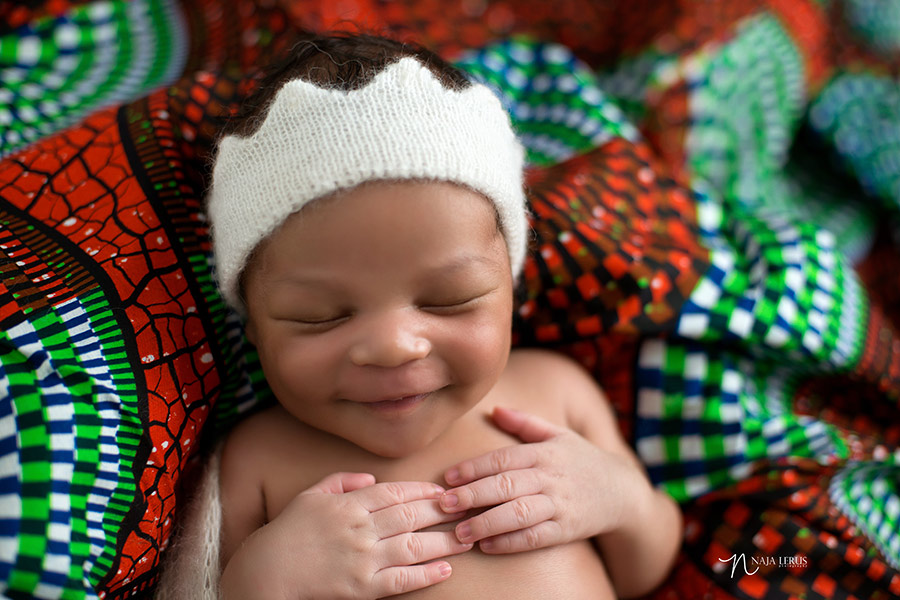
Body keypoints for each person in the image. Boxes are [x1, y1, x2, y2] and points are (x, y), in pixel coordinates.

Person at [163, 32, 682, 600]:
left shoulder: (555, 392)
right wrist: (262, 579)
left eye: (449, 299)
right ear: (255, 328)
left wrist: (620, 499)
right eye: (320, 316)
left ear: (509, 290)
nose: (394, 345)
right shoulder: (258, 459)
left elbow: (643, 572)